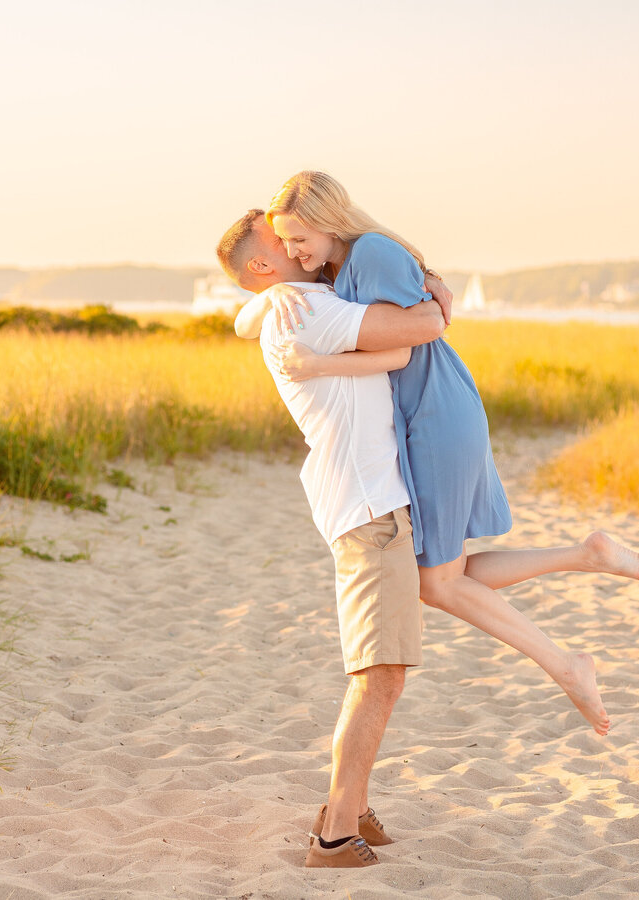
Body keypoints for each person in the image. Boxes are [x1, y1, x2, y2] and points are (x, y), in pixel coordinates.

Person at [252, 172, 639, 737]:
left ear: (329, 221)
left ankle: (568, 663)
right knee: (437, 577)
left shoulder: (370, 253)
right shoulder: (337, 266)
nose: (294, 252)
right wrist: (274, 292)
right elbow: (252, 317)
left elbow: (412, 336)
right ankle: (586, 559)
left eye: (298, 238)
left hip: (435, 415)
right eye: (286, 245)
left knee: (436, 582)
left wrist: (318, 363)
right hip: (424, 415)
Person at [215, 209, 446, 868]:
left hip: (368, 505)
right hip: (371, 510)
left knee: (385, 672)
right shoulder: (307, 309)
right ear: (263, 266)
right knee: (379, 676)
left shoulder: (295, 303)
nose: (299, 242)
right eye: (282, 240)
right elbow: (425, 325)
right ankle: (334, 834)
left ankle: (352, 804)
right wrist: (437, 285)